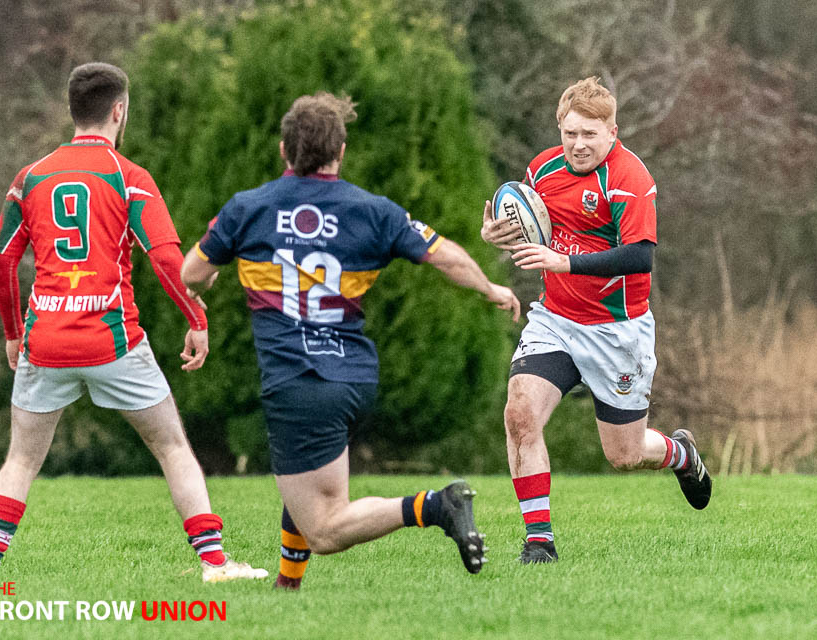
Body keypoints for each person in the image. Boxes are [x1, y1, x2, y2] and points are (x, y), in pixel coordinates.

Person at [180, 91, 519, 589]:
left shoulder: (248, 208)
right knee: (307, 480)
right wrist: (490, 288)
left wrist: (206, 280)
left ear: (283, 150)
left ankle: (434, 506)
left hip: (299, 379)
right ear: (340, 152)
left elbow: (190, 271)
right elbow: (445, 254)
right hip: (354, 377)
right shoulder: (373, 211)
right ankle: (288, 585)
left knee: (325, 528)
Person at [0, 62, 267, 583]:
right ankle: (214, 563)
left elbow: (1, 262)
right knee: (172, 448)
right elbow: (165, 258)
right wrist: (195, 317)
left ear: (73, 110)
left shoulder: (30, 178)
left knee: (20, 461)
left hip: (45, 341)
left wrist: (12, 333)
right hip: (113, 342)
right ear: (119, 111)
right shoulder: (129, 177)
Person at [479, 77, 712, 565]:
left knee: (624, 455)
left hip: (616, 330)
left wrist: (565, 263)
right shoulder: (542, 169)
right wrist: (498, 234)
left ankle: (681, 454)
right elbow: (532, 230)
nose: (579, 144)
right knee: (520, 413)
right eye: (571, 133)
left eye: (590, 134)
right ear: (560, 130)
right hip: (556, 319)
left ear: (612, 132)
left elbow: (640, 257)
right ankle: (539, 542)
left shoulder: (629, 178)